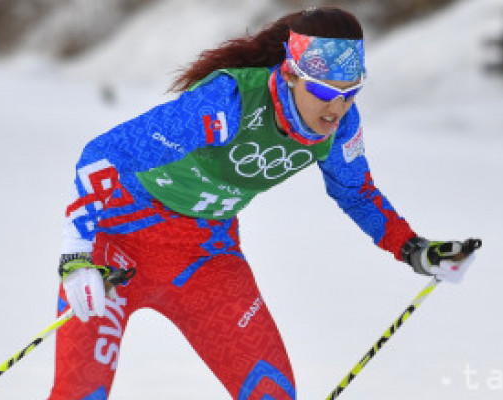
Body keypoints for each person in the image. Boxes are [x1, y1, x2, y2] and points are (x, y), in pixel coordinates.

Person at [49, 7, 479, 400]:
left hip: (204, 258)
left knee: (272, 394)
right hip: (119, 247)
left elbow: (356, 192)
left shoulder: (341, 126)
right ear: (291, 75)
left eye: (352, 91)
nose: (337, 107)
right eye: (325, 90)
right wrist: (76, 255)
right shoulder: (228, 103)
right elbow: (105, 154)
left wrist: (414, 249)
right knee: (79, 394)